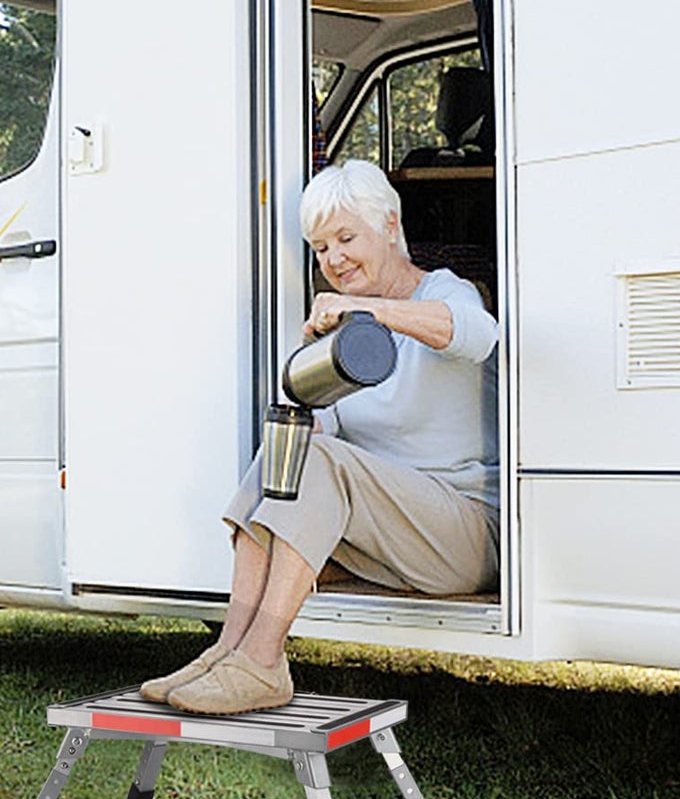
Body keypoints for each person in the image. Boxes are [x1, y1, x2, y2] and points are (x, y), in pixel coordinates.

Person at [142, 158, 498, 716]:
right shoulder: (348, 333)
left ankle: (262, 662)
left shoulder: (447, 293)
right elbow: (318, 439)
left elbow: (477, 336)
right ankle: (228, 649)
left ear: (389, 224)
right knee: (286, 447)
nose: (334, 260)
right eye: (320, 247)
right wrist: (312, 373)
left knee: (319, 460)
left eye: (346, 238)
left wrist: (370, 311)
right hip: (394, 534)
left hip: (468, 534)